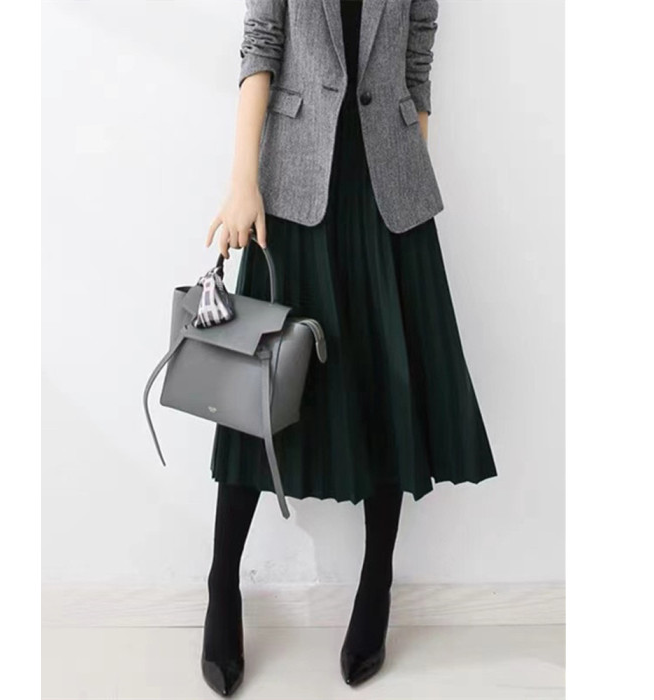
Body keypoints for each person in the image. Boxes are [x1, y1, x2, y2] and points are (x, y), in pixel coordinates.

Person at [201, 0, 498, 694]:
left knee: (387, 382)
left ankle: (376, 582)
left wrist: (407, 168)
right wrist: (243, 182)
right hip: (294, 187)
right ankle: (221, 584)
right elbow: (261, 42)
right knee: (257, 395)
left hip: (390, 194)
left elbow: (418, 55)